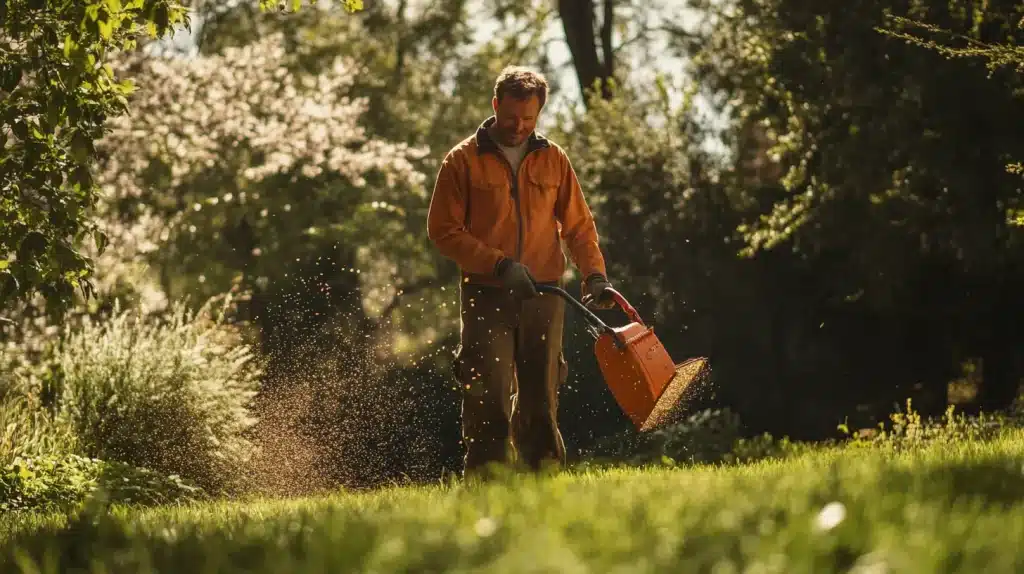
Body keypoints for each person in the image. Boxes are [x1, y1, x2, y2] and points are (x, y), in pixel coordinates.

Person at [426, 65, 615, 479]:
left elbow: (579, 226)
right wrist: (498, 264)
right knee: (488, 397)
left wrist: (594, 275)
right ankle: (488, 488)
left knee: (541, 400)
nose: (518, 126)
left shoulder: (553, 159)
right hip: (487, 293)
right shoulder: (462, 160)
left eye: (529, 119)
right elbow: (443, 231)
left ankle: (543, 487)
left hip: (545, 295)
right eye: (511, 117)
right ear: (495, 105)